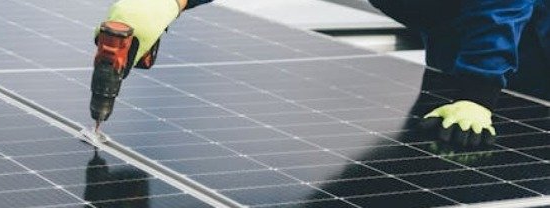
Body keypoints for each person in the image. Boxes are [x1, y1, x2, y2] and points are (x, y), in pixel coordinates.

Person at [98, 0, 549, 147]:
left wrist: (480, 90)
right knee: (421, 172)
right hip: (452, 48)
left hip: (534, 62)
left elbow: (504, 5)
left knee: (486, 190)